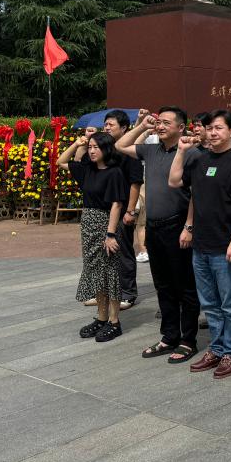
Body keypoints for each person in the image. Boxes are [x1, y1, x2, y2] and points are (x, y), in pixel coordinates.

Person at [169, 110, 231, 379]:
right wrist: (181, 151)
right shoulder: (200, 159)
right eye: (210, 128)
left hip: (225, 245)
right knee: (209, 303)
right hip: (201, 245)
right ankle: (216, 348)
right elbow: (175, 181)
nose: (213, 132)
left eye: (219, 128)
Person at [117, 107, 201, 364]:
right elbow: (121, 145)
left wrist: (189, 227)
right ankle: (169, 336)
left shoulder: (191, 153)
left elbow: (196, 194)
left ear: (181, 127)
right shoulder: (151, 150)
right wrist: (143, 126)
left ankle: (188, 340)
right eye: (159, 122)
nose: (161, 126)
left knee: (184, 286)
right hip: (154, 228)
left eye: (167, 122)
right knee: (162, 285)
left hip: (178, 226)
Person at [58, 132, 128, 342]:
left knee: (110, 272)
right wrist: (76, 143)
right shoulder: (87, 169)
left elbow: (117, 205)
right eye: (90, 147)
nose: (92, 150)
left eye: (96, 147)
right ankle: (101, 317)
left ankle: (114, 322)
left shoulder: (115, 172)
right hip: (88, 224)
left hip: (106, 224)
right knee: (95, 271)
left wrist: (110, 234)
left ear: (107, 148)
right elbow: (61, 161)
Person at [102, 110, 145, 310]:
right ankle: (109, 291)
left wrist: (130, 211)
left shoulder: (130, 152)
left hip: (122, 209)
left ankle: (128, 293)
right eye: (106, 124)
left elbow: (135, 183)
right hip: (105, 209)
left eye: (111, 124)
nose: (106, 127)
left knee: (124, 251)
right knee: (107, 251)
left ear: (124, 128)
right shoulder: (105, 150)